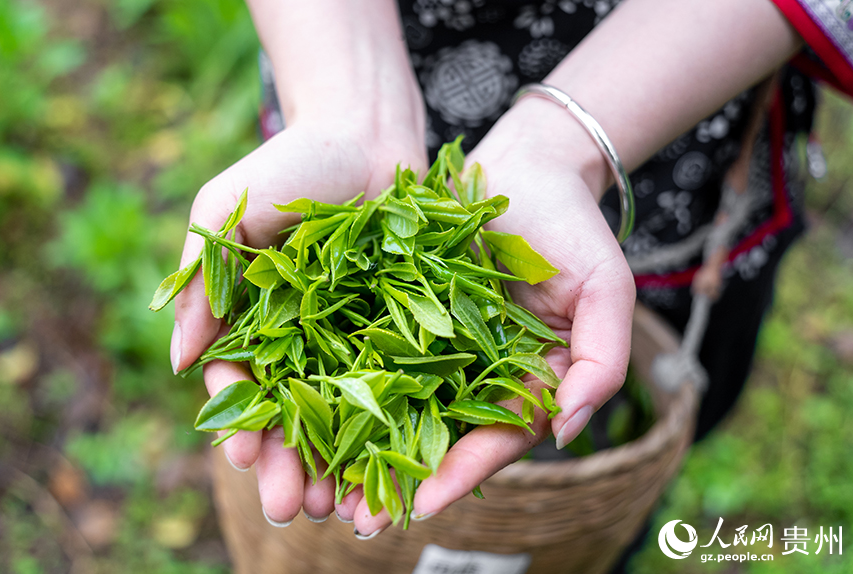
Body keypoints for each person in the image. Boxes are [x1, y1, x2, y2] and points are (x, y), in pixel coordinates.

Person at [168, 0, 853, 544]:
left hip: (683, 113)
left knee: (630, 449)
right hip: (346, 54)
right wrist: (353, 105)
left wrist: (564, 142)